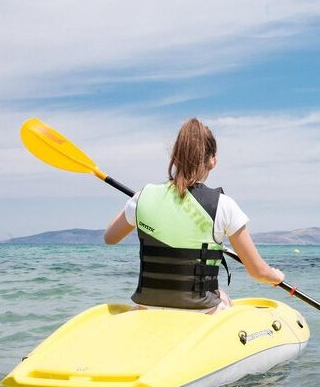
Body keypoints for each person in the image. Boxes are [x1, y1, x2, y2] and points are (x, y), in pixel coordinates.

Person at [104, 118, 284, 313]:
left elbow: (110, 238)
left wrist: (138, 203)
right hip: (200, 311)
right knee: (223, 297)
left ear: (175, 156)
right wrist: (276, 276)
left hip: (148, 308)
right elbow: (258, 272)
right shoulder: (223, 205)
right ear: (213, 161)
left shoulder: (142, 197)